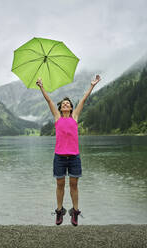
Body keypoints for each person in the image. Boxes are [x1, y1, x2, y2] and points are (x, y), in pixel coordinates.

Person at [36, 74, 101, 226]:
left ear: (71, 107)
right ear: (60, 108)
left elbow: (84, 99)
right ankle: (59, 211)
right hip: (59, 157)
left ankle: (75, 212)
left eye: (68, 103)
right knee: (59, 185)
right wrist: (41, 87)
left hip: (74, 157)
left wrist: (92, 85)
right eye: (63, 103)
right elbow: (49, 101)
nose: (65, 104)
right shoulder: (57, 118)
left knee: (73, 185)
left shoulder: (75, 117)